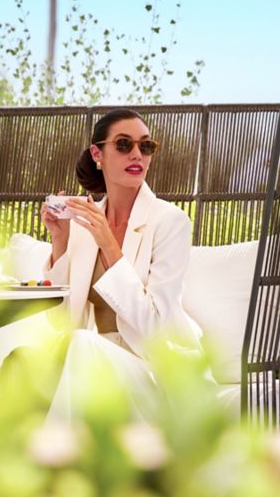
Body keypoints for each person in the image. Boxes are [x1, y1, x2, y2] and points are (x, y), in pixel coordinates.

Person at [41, 108, 202, 421]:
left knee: (82, 346)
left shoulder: (170, 222)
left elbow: (154, 325)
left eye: (146, 146)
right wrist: (60, 240)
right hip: (91, 360)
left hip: (152, 370)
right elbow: (60, 323)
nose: (137, 154)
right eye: (124, 144)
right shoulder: (85, 223)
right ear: (97, 154)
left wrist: (109, 246)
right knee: (26, 362)